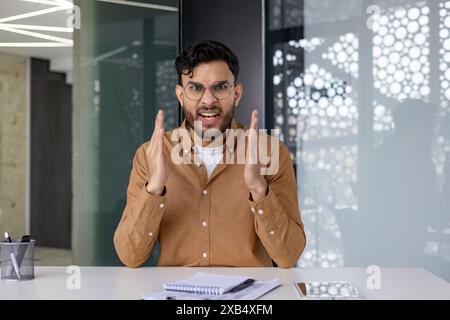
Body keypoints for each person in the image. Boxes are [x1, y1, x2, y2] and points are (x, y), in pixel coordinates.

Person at [114, 40, 306, 268]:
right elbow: (130, 256)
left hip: (249, 298)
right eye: (195, 88)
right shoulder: (150, 154)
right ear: (180, 94)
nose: (208, 101)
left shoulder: (271, 152)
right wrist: (154, 187)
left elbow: (288, 256)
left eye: (220, 87)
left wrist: (258, 188)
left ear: (237, 92)